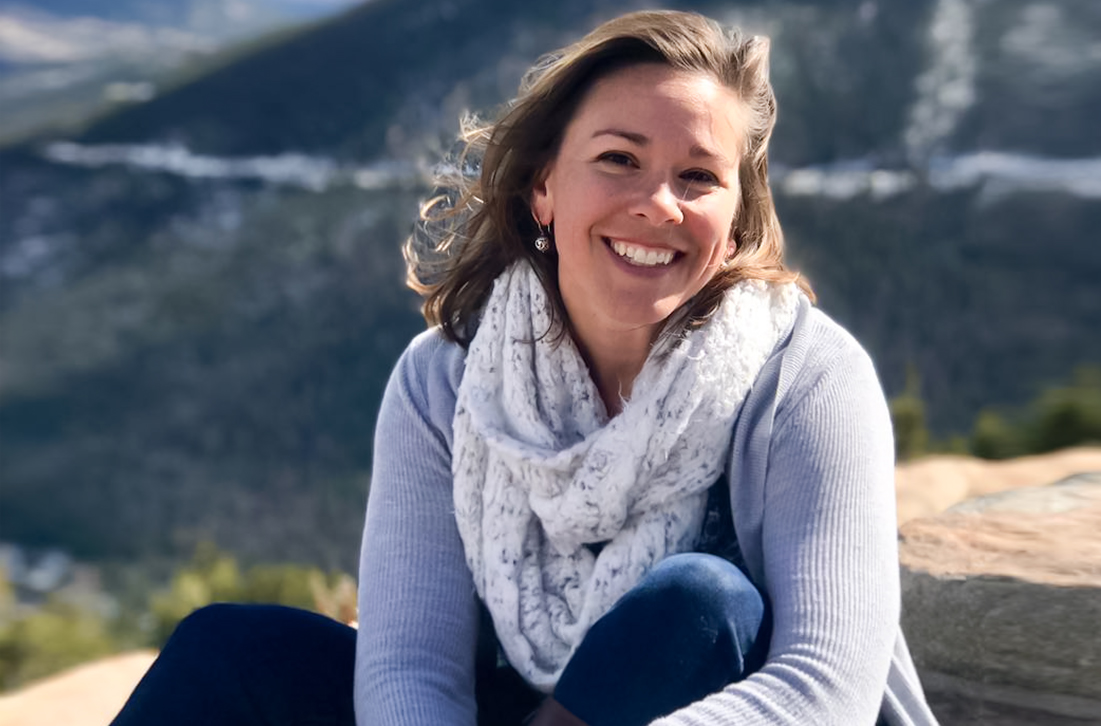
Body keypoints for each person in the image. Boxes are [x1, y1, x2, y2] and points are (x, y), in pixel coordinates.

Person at [111, 10, 939, 726]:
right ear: (545, 187)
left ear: (732, 219)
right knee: (230, 649)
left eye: (699, 177)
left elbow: (824, 688)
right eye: (619, 158)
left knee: (697, 602)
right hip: (502, 706)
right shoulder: (444, 381)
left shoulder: (807, 379)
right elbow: (410, 670)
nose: (659, 203)